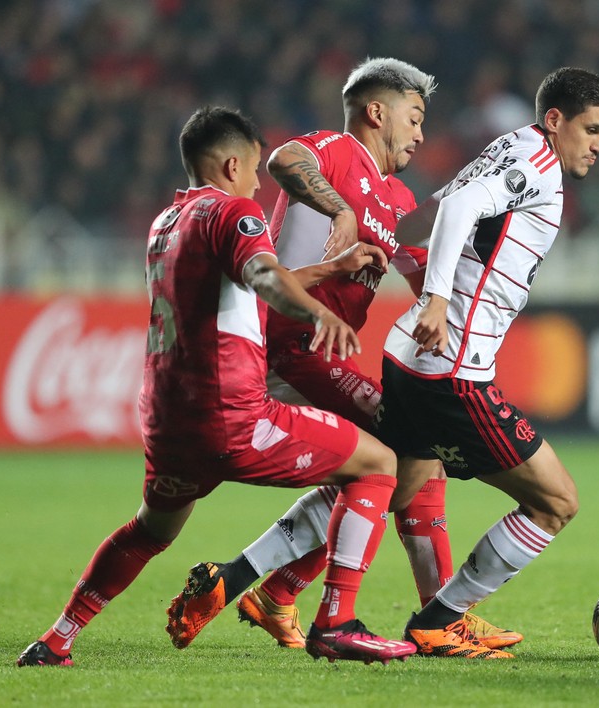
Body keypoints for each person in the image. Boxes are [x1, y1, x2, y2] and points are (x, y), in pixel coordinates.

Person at [16, 106, 416, 667]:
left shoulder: (166, 223)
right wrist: (318, 312)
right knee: (379, 463)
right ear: (232, 165)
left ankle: (56, 639)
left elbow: (243, 285)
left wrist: (329, 270)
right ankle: (336, 624)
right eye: (253, 170)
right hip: (233, 415)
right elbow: (264, 276)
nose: (257, 185)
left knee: (148, 531)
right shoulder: (236, 211)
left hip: (167, 422)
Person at [164, 58, 519, 653]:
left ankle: (263, 587)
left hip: (323, 353)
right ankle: (431, 618)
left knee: (398, 465)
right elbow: (284, 160)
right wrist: (340, 209)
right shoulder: (336, 150)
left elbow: (416, 270)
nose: (421, 133)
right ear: (376, 112)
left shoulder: (397, 195)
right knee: (411, 455)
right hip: (291, 342)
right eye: (414, 117)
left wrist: (449, 299)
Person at [379, 67, 599, 659]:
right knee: (556, 502)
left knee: (381, 486)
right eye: (591, 130)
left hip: (409, 355)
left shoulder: (509, 147)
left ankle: (253, 578)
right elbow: (458, 205)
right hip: (452, 372)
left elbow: (423, 218)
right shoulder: (534, 162)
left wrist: (412, 273)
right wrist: (437, 298)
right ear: (556, 120)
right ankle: (440, 620)